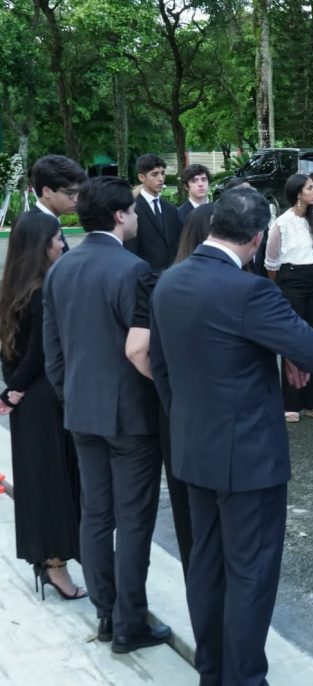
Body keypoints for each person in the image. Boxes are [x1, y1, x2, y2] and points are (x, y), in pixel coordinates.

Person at [149, 186, 313, 686]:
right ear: (256, 238)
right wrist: (286, 350)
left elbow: (161, 370)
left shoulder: (169, 282)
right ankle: (245, 677)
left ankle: (213, 670)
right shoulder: (251, 291)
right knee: (250, 572)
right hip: (248, 458)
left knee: (206, 567)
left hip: (193, 448)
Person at [42, 176, 169, 654]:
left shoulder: (62, 267)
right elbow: (146, 351)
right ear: (119, 215)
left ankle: (105, 611)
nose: (136, 217)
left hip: (81, 409)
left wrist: (69, 394)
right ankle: (129, 620)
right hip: (131, 414)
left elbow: (53, 351)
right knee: (133, 520)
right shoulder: (134, 270)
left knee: (96, 514)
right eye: (133, 211)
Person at [123, 205, 216, 580]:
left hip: (176, 406)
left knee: (187, 505)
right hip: (222, 409)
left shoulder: (160, 281)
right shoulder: (238, 283)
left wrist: (168, 389)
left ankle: (199, 580)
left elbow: (137, 350)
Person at [0, 213, 86, 601]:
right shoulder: (42, 288)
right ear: (40, 245)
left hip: (27, 400)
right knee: (53, 482)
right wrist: (15, 389)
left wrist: (9, 390)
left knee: (40, 481)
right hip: (44, 395)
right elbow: (40, 350)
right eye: (56, 239)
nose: (62, 244)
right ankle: (55, 566)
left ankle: (51, 562)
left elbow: (10, 350)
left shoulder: (11, 288)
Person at [265, 174, 313, 422]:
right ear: (297, 193)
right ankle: (291, 401)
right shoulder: (282, 223)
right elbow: (271, 262)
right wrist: (276, 290)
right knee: (293, 338)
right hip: (290, 279)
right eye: (310, 188)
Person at [125, 153, 183, 269]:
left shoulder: (171, 209)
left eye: (162, 173)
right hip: (144, 278)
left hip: (171, 277)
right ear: (142, 177)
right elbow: (130, 251)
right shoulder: (132, 210)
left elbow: (178, 245)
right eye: (155, 174)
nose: (161, 179)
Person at [28, 154, 87, 253]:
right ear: (47, 191)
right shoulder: (35, 227)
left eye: (79, 193)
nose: (76, 199)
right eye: (70, 193)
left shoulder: (48, 222)